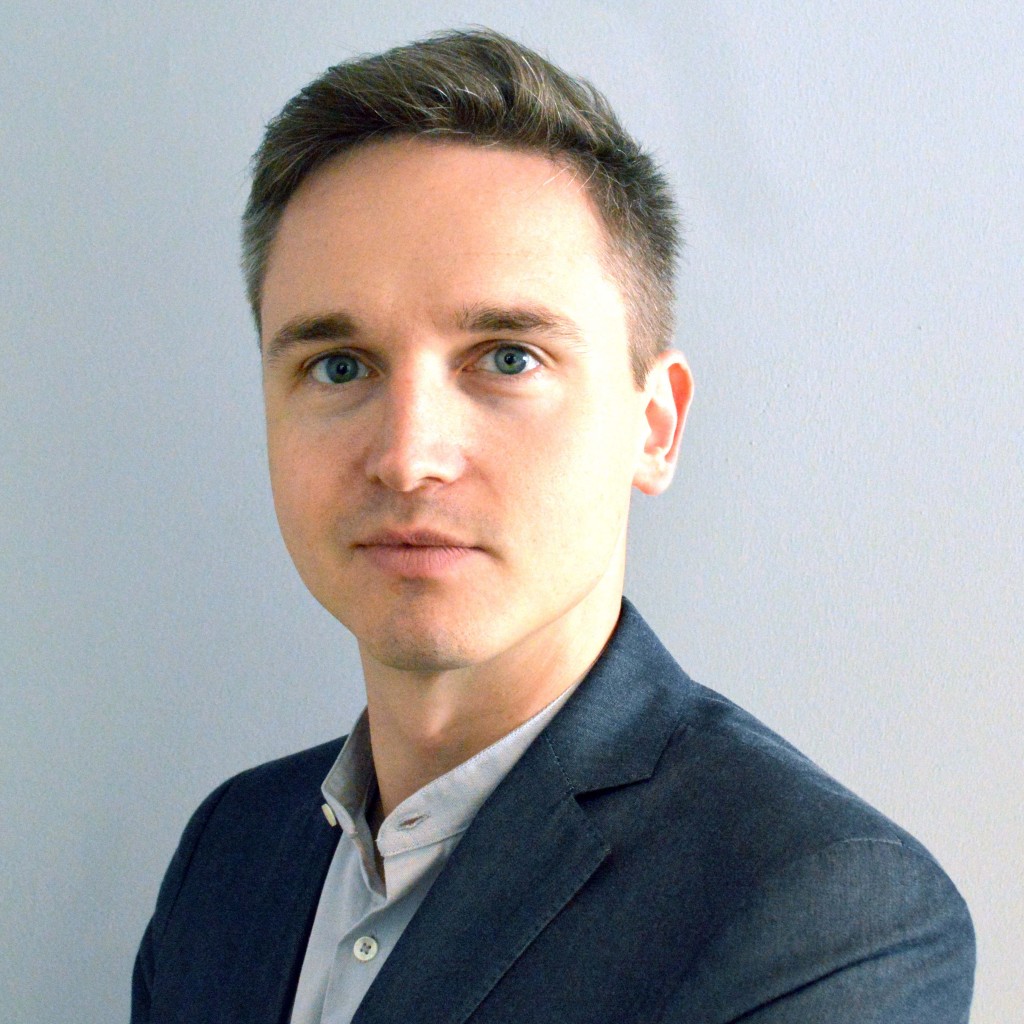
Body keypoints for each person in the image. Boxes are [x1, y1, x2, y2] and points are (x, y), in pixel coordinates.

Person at [131, 28, 975, 1024]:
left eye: (507, 358)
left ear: (653, 426)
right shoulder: (231, 851)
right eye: (339, 367)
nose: (408, 456)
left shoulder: (826, 908)